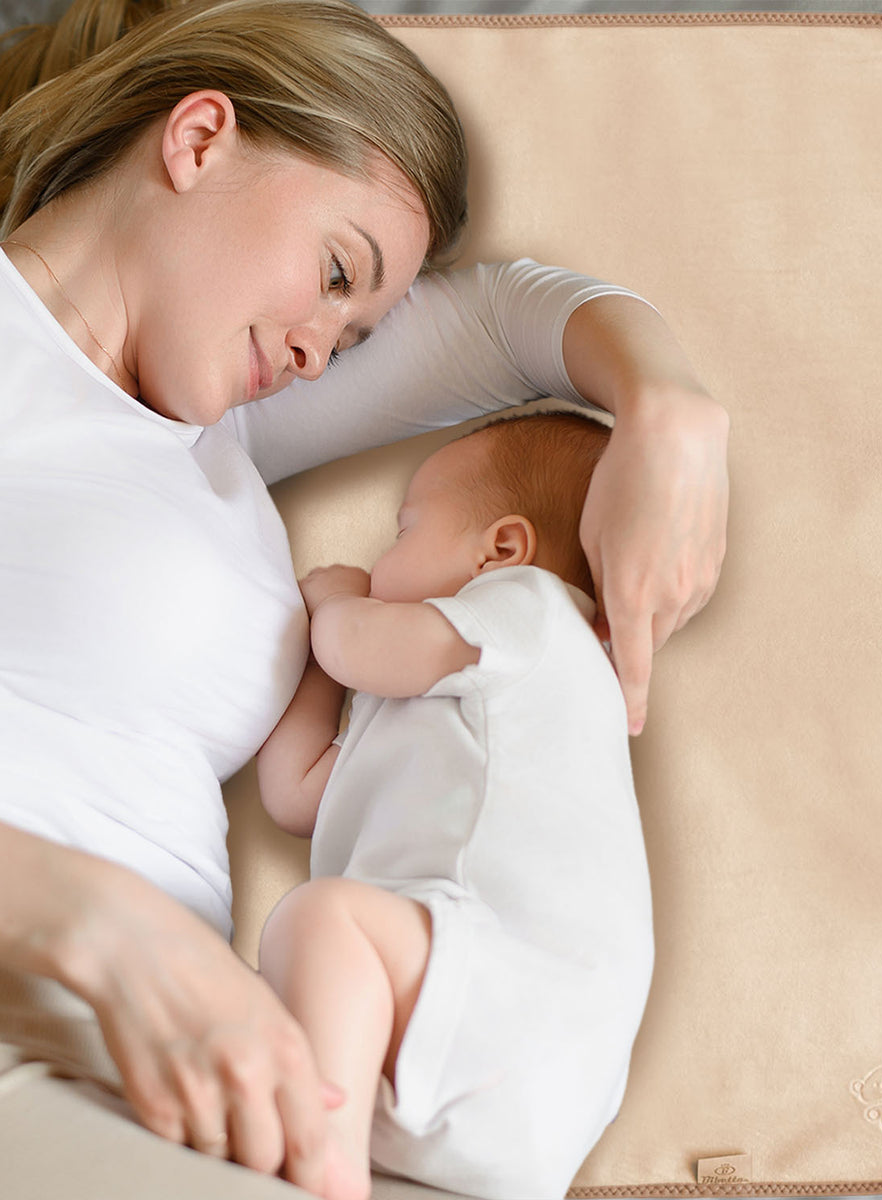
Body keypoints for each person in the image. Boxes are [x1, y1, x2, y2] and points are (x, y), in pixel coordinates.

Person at [0, 1, 727, 1197]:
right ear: (200, 139)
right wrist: (111, 930)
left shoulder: (218, 434)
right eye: (334, 274)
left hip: (175, 1070)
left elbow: (507, 317)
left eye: (355, 332)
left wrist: (671, 410)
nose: (321, 349)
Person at [255, 412, 655, 1200]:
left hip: (519, 998)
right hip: (484, 1087)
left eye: (403, 530)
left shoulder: (534, 614)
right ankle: (327, 1144)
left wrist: (334, 605)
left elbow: (358, 643)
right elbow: (293, 790)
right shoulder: (436, 695)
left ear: (501, 549)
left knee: (317, 922)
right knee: (281, 974)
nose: (379, 558)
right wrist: (321, 668)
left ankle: (314, 1169)